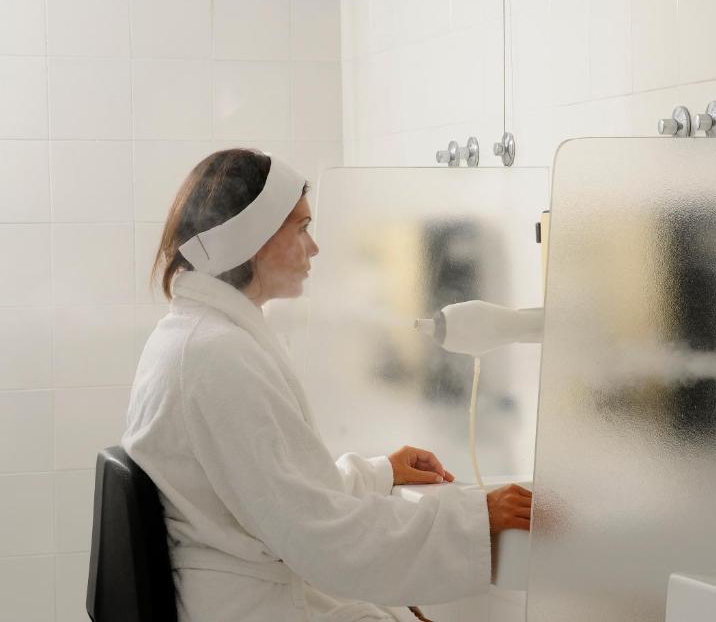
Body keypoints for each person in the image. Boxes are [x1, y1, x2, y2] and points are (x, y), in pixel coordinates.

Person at [122, 149, 532, 622]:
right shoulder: (217, 357)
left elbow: (279, 492)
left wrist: (379, 472)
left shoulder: (199, 337)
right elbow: (321, 535)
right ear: (250, 238)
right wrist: (477, 518)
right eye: (301, 228)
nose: (313, 248)